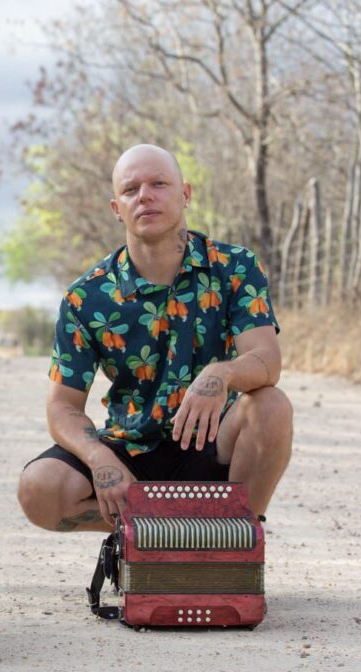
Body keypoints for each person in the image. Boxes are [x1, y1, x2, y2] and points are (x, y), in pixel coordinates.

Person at [17, 144, 292, 532]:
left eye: (159, 184)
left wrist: (221, 374)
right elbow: (62, 406)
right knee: (40, 489)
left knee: (272, 406)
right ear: (117, 208)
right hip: (130, 455)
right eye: (131, 190)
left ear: (185, 194)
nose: (145, 196)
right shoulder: (86, 297)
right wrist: (98, 458)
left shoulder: (235, 268)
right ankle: (147, 535)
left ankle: (236, 537)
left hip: (215, 445)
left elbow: (267, 360)